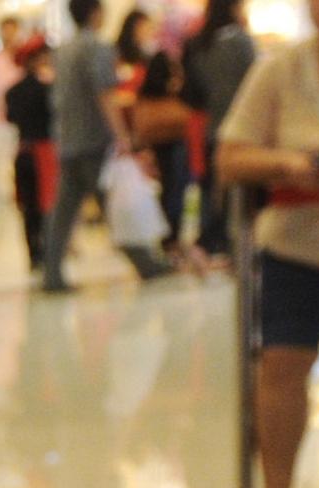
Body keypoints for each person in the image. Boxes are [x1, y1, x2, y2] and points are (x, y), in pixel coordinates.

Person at [214, 0, 319, 488]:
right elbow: (230, 157)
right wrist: (290, 165)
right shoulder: (279, 69)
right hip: (292, 247)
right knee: (281, 365)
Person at [41, 0, 178, 291]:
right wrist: (122, 136)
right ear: (95, 13)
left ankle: (51, 273)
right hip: (94, 141)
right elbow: (105, 94)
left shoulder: (62, 50)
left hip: (68, 140)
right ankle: (146, 263)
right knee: (117, 205)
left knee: (64, 211)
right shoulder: (98, 49)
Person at [185, 0, 259, 259]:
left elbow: (194, 94)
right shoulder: (240, 42)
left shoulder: (199, 44)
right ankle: (231, 245)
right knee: (238, 194)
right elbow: (255, 85)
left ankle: (210, 241)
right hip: (244, 130)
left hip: (212, 126)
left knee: (212, 189)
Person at [135, 49, 199, 259]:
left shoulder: (146, 95)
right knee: (174, 191)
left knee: (169, 191)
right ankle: (170, 238)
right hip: (172, 145)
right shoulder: (172, 95)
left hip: (158, 145)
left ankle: (167, 237)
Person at [7, 45, 59, 270]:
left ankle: (34, 251)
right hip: (44, 151)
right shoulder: (47, 89)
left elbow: (10, 118)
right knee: (46, 203)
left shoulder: (13, 92)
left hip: (23, 150)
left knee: (28, 206)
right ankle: (48, 248)